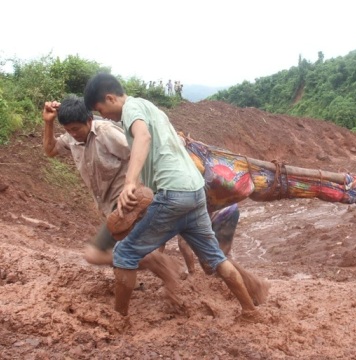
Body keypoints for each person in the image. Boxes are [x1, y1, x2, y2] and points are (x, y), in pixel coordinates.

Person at [83, 73, 263, 320]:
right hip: (195, 192)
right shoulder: (151, 107)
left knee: (125, 254)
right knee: (216, 258)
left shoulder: (131, 109)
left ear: (110, 98)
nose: (104, 117)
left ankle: (119, 318)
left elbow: (143, 137)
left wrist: (129, 183)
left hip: (173, 193)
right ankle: (250, 311)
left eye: (101, 110)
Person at [42, 95, 183, 309]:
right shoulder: (72, 139)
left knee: (95, 254)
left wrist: (138, 187)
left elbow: (140, 149)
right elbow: (50, 150)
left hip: (128, 203)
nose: (72, 133)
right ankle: (164, 272)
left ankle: (159, 268)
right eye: (68, 129)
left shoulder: (107, 133)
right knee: (124, 255)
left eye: (76, 128)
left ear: (89, 120)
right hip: (110, 208)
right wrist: (49, 122)